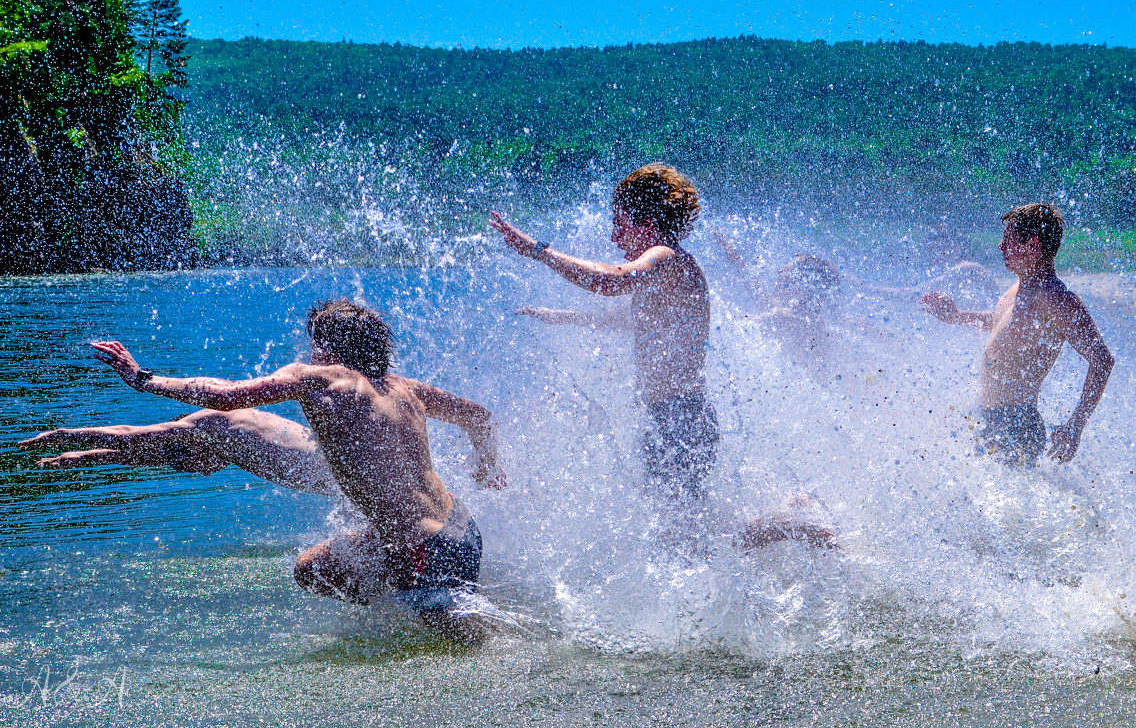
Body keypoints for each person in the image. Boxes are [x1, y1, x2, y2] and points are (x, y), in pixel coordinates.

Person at [72, 299, 507, 606]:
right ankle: (409, 600)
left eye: (313, 342)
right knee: (314, 566)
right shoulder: (406, 388)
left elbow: (228, 397)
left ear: (326, 347)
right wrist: (487, 465)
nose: (308, 351)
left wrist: (144, 378)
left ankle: (414, 596)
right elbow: (481, 418)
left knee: (467, 649)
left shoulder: (316, 377)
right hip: (462, 530)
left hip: (424, 548)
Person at [489, 163, 717, 501]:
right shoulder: (670, 269)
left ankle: (789, 519)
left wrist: (539, 252)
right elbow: (631, 319)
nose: (614, 237)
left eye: (619, 225)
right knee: (681, 533)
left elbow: (610, 279)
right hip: (676, 415)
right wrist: (562, 317)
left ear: (647, 225)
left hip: (679, 417)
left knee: (679, 532)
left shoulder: (665, 256)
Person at [921, 204, 1114, 466]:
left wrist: (1075, 426)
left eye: (1008, 240)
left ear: (1033, 246)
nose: (1000, 246)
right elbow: (999, 323)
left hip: (1016, 424)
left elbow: (1102, 359)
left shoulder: (1055, 298)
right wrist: (957, 316)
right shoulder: (1018, 288)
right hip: (988, 416)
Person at [20, 408, 335, 495]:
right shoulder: (225, 444)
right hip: (349, 486)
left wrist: (67, 436)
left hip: (347, 474)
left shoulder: (213, 424)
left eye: (185, 463)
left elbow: (130, 437)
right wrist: (84, 458)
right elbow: (148, 455)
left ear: (192, 445)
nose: (198, 472)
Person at [712, 228, 840, 377]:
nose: (779, 274)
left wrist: (712, 310)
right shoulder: (809, 317)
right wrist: (730, 250)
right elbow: (752, 284)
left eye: (786, 274)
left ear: (802, 285)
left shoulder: (787, 317)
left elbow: (735, 325)